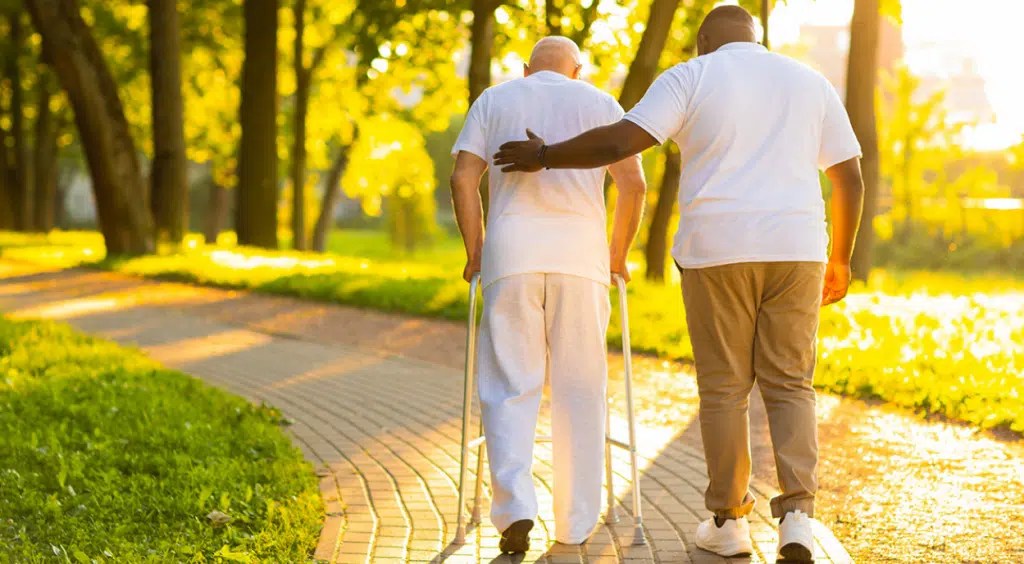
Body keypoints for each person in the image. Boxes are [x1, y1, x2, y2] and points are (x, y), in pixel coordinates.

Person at [491, 6, 865, 561]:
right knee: (791, 384)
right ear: (754, 37)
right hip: (797, 250)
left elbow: (620, 143)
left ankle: (729, 521)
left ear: (703, 40)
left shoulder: (692, 76)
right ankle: (798, 520)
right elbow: (849, 176)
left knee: (724, 388)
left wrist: (545, 155)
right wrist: (841, 258)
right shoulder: (808, 81)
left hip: (718, 250)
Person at [449, 36, 647, 553]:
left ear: (526, 67)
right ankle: (576, 522)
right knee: (580, 386)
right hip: (581, 259)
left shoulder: (495, 98)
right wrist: (617, 253)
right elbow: (634, 184)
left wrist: (476, 249)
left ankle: (514, 510)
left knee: (511, 384)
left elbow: (463, 176)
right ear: (577, 70)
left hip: (511, 255)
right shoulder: (601, 103)